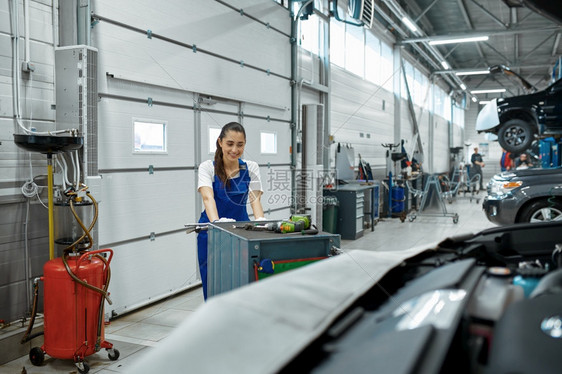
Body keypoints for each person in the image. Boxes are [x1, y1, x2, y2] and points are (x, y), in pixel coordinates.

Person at [197, 122, 265, 300]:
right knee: (213, 280)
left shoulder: (251, 168)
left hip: (241, 232)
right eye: (230, 144)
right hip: (212, 233)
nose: (234, 149)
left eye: (240, 145)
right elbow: (207, 198)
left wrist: (260, 220)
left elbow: (255, 198)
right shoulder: (207, 168)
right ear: (220, 142)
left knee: (242, 279)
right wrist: (217, 223)